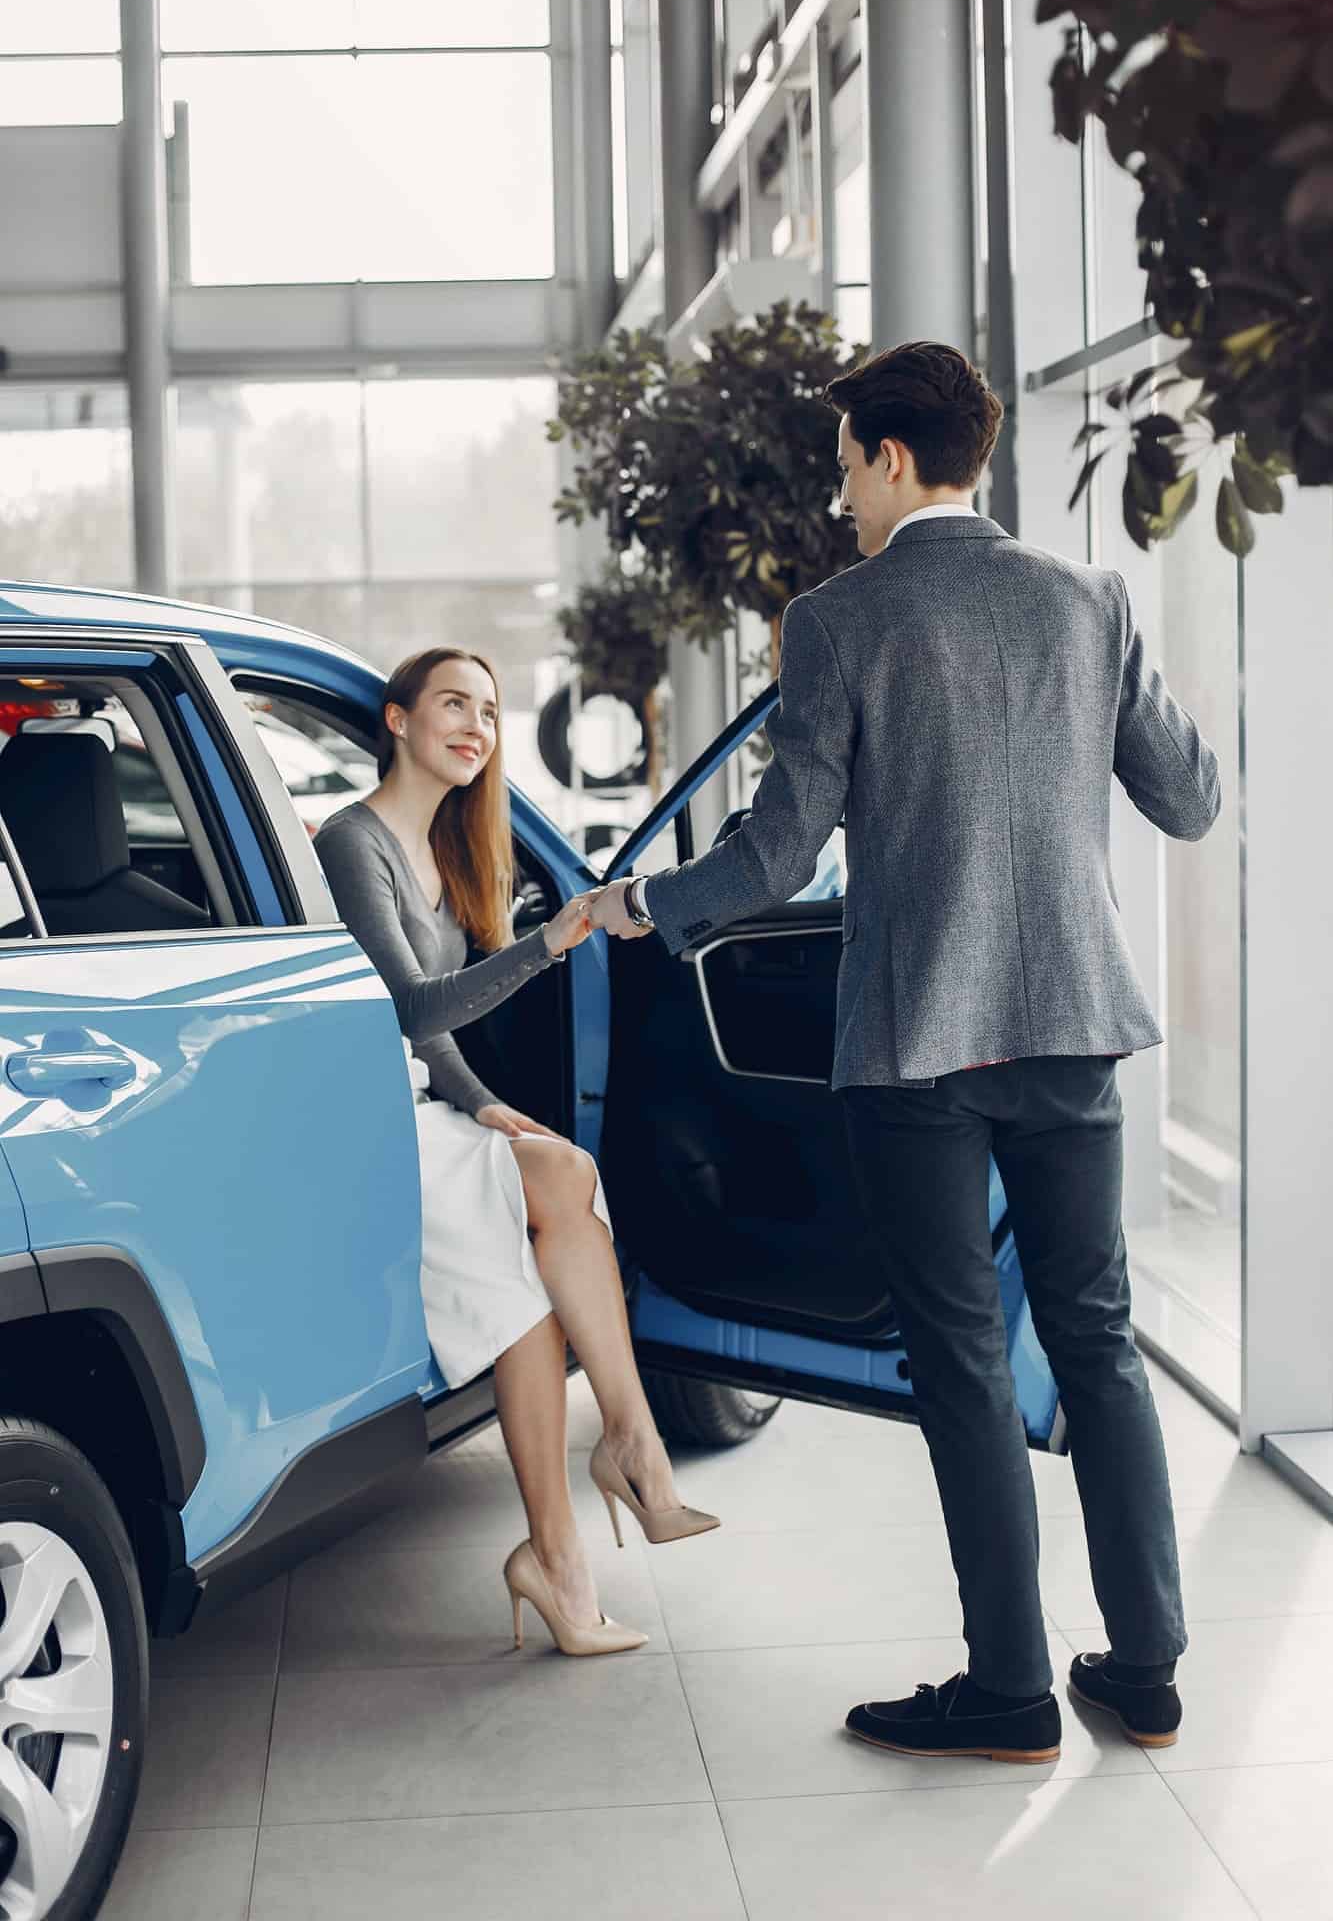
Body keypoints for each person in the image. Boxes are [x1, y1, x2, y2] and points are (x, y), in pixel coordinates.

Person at [594, 340, 1217, 1760]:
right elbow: (1187, 796)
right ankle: (1147, 1670)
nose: (838, 502)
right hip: (1073, 1032)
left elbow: (773, 850)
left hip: (915, 1046)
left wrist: (640, 904)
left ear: (886, 457)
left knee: (959, 1365)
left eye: (841, 471)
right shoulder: (1089, 601)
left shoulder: (841, 618)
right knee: (1099, 1345)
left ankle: (1006, 1690)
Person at [315, 646, 718, 1660]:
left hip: (419, 1101)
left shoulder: (442, 854)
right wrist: (547, 943)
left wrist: (490, 1107)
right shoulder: (352, 841)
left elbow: (433, 1039)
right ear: (396, 719)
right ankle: (634, 1449)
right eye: (453, 703)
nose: (476, 725)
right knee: (568, 1179)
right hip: (358, 1111)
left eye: (490, 712)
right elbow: (411, 1008)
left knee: (530, 1289)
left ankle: (558, 1559)